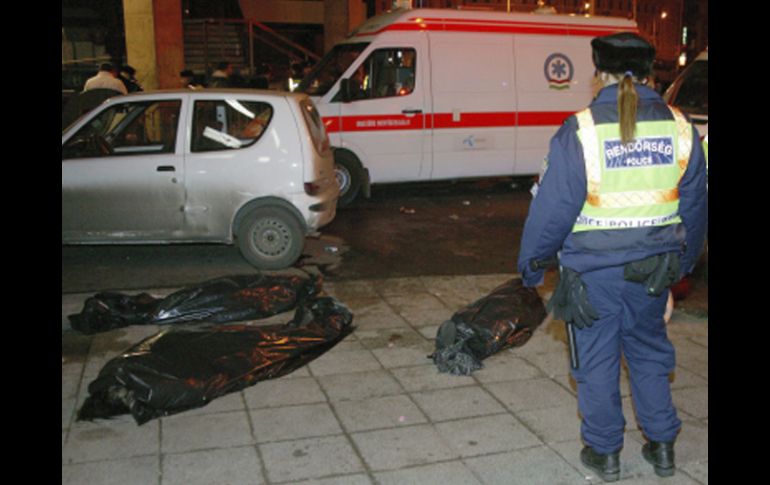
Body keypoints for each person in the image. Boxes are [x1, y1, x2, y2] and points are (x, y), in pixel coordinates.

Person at [517, 33, 707, 482]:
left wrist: (531, 264)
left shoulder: (580, 130)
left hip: (591, 277)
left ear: (598, 72)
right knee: (648, 354)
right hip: (653, 273)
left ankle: (605, 454)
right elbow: (696, 206)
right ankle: (661, 447)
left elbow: (552, 210)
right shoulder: (681, 127)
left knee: (597, 361)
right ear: (648, 73)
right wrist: (683, 268)